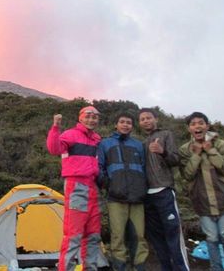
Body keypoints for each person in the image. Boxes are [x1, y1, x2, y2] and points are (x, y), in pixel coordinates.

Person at [179, 112, 224, 271]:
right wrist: (197, 154)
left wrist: (210, 150)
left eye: (201, 123)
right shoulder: (185, 149)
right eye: (193, 124)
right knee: (211, 238)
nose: (197, 126)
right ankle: (216, 268)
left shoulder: (220, 144)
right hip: (202, 199)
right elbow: (187, 174)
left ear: (207, 125)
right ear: (189, 128)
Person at [47, 106, 102, 271]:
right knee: (74, 235)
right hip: (76, 186)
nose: (91, 120)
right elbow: (54, 149)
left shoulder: (97, 139)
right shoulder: (70, 134)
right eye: (88, 116)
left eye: (95, 117)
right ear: (81, 118)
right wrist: (55, 127)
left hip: (93, 187)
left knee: (93, 235)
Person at [138, 108, 190, 271]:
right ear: (139, 123)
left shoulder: (166, 134)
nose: (146, 121)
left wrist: (163, 152)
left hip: (164, 191)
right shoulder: (141, 143)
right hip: (147, 196)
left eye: (149, 118)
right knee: (157, 239)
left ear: (156, 119)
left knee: (173, 235)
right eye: (142, 119)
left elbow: (176, 159)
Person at [97, 112, 148, 271]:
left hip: (137, 197)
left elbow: (144, 168)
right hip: (116, 198)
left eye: (129, 122)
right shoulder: (105, 143)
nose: (125, 125)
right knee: (117, 236)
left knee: (139, 236)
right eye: (122, 122)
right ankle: (120, 267)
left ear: (132, 126)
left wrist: (143, 187)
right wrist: (108, 184)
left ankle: (139, 267)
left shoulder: (138, 145)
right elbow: (99, 167)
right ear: (116, 125)